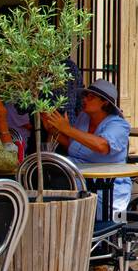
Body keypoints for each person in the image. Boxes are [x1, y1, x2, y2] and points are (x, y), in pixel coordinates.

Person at [42, 78, 132, 214]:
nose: (85, 100)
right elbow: (74, 148)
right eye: (85, 96)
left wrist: (67, 129)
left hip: (106, 189)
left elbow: (102, 146)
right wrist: (53, 130)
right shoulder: (83, 118)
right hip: (78, 181)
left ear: (105, 102)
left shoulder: (118, 125)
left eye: (91, 97)